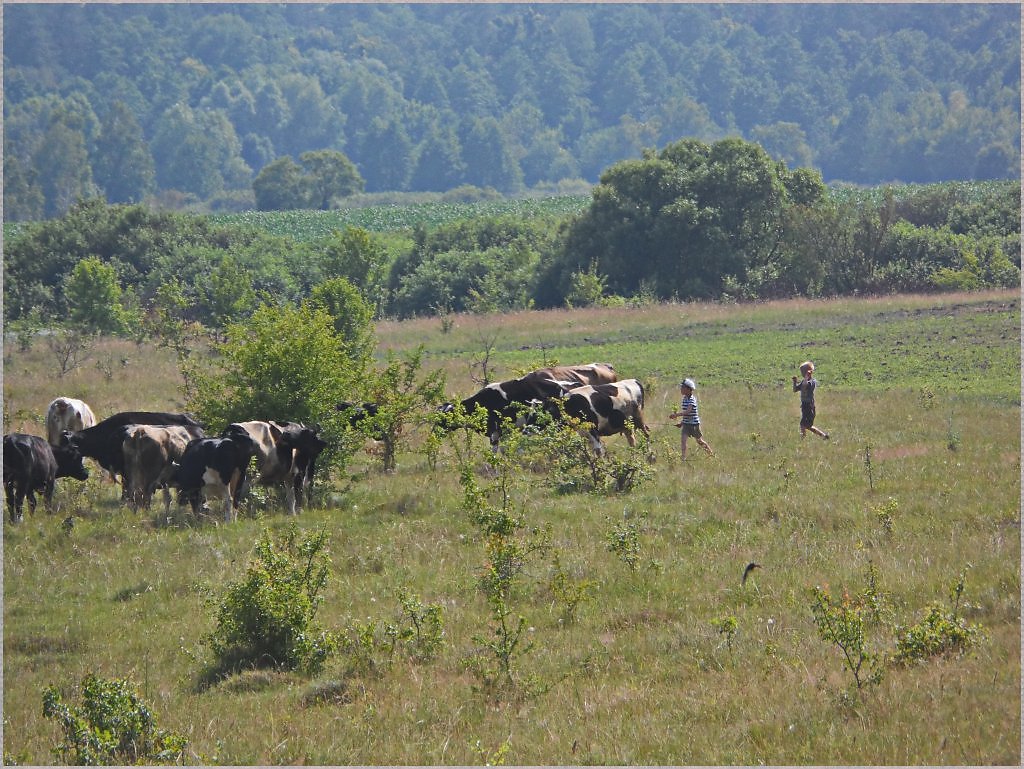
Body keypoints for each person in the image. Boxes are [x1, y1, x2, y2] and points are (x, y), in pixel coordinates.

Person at [669, 378, 714, 460]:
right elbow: (685, 414)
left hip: (694, 424)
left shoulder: (692, 399)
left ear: (688, 389)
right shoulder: (684, 399)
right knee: (683, 441)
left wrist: (676, 415)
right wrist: (682, 423)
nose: (681, 389)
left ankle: (711, 454)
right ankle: (683, 458)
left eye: (683, 387)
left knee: (699, 441)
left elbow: (688, 412)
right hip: (686, 424)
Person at [792, 361, 830, 440]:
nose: (802, 374)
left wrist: (806, 377)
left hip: (809, 407)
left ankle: (802, 439)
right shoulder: (803, 381)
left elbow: (806, 385)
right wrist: (794, 382)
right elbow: (795, 390)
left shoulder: (812, 382)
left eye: (803, 372)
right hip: (804, 406)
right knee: (808, 426)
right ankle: (823, 436)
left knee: (803, 424)